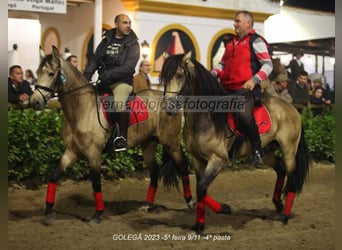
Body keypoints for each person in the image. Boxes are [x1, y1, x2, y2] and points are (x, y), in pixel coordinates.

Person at [212, 10, 273, 167]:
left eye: (238, 21)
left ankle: (258, 152)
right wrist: (212, 73)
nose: (235, 24)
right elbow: (223, 64)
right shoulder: (231, 43)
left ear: (248, 23)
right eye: (235, 21)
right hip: (227, 88)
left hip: (247, 90)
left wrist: (254, 80)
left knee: (243, 115)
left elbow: (268, 65)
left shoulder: (256, 41)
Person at [83, 13, 140, 151]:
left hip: (122, 82)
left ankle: (121, 138)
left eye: (129, 23)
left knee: (119, 103)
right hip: (104, 81)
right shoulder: (106, 41)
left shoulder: (133, 44)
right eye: (124, 23)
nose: (128, 26)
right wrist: (87, 74)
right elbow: (96, 59)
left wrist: (108, 74)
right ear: (116, 24)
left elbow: (129, 67)